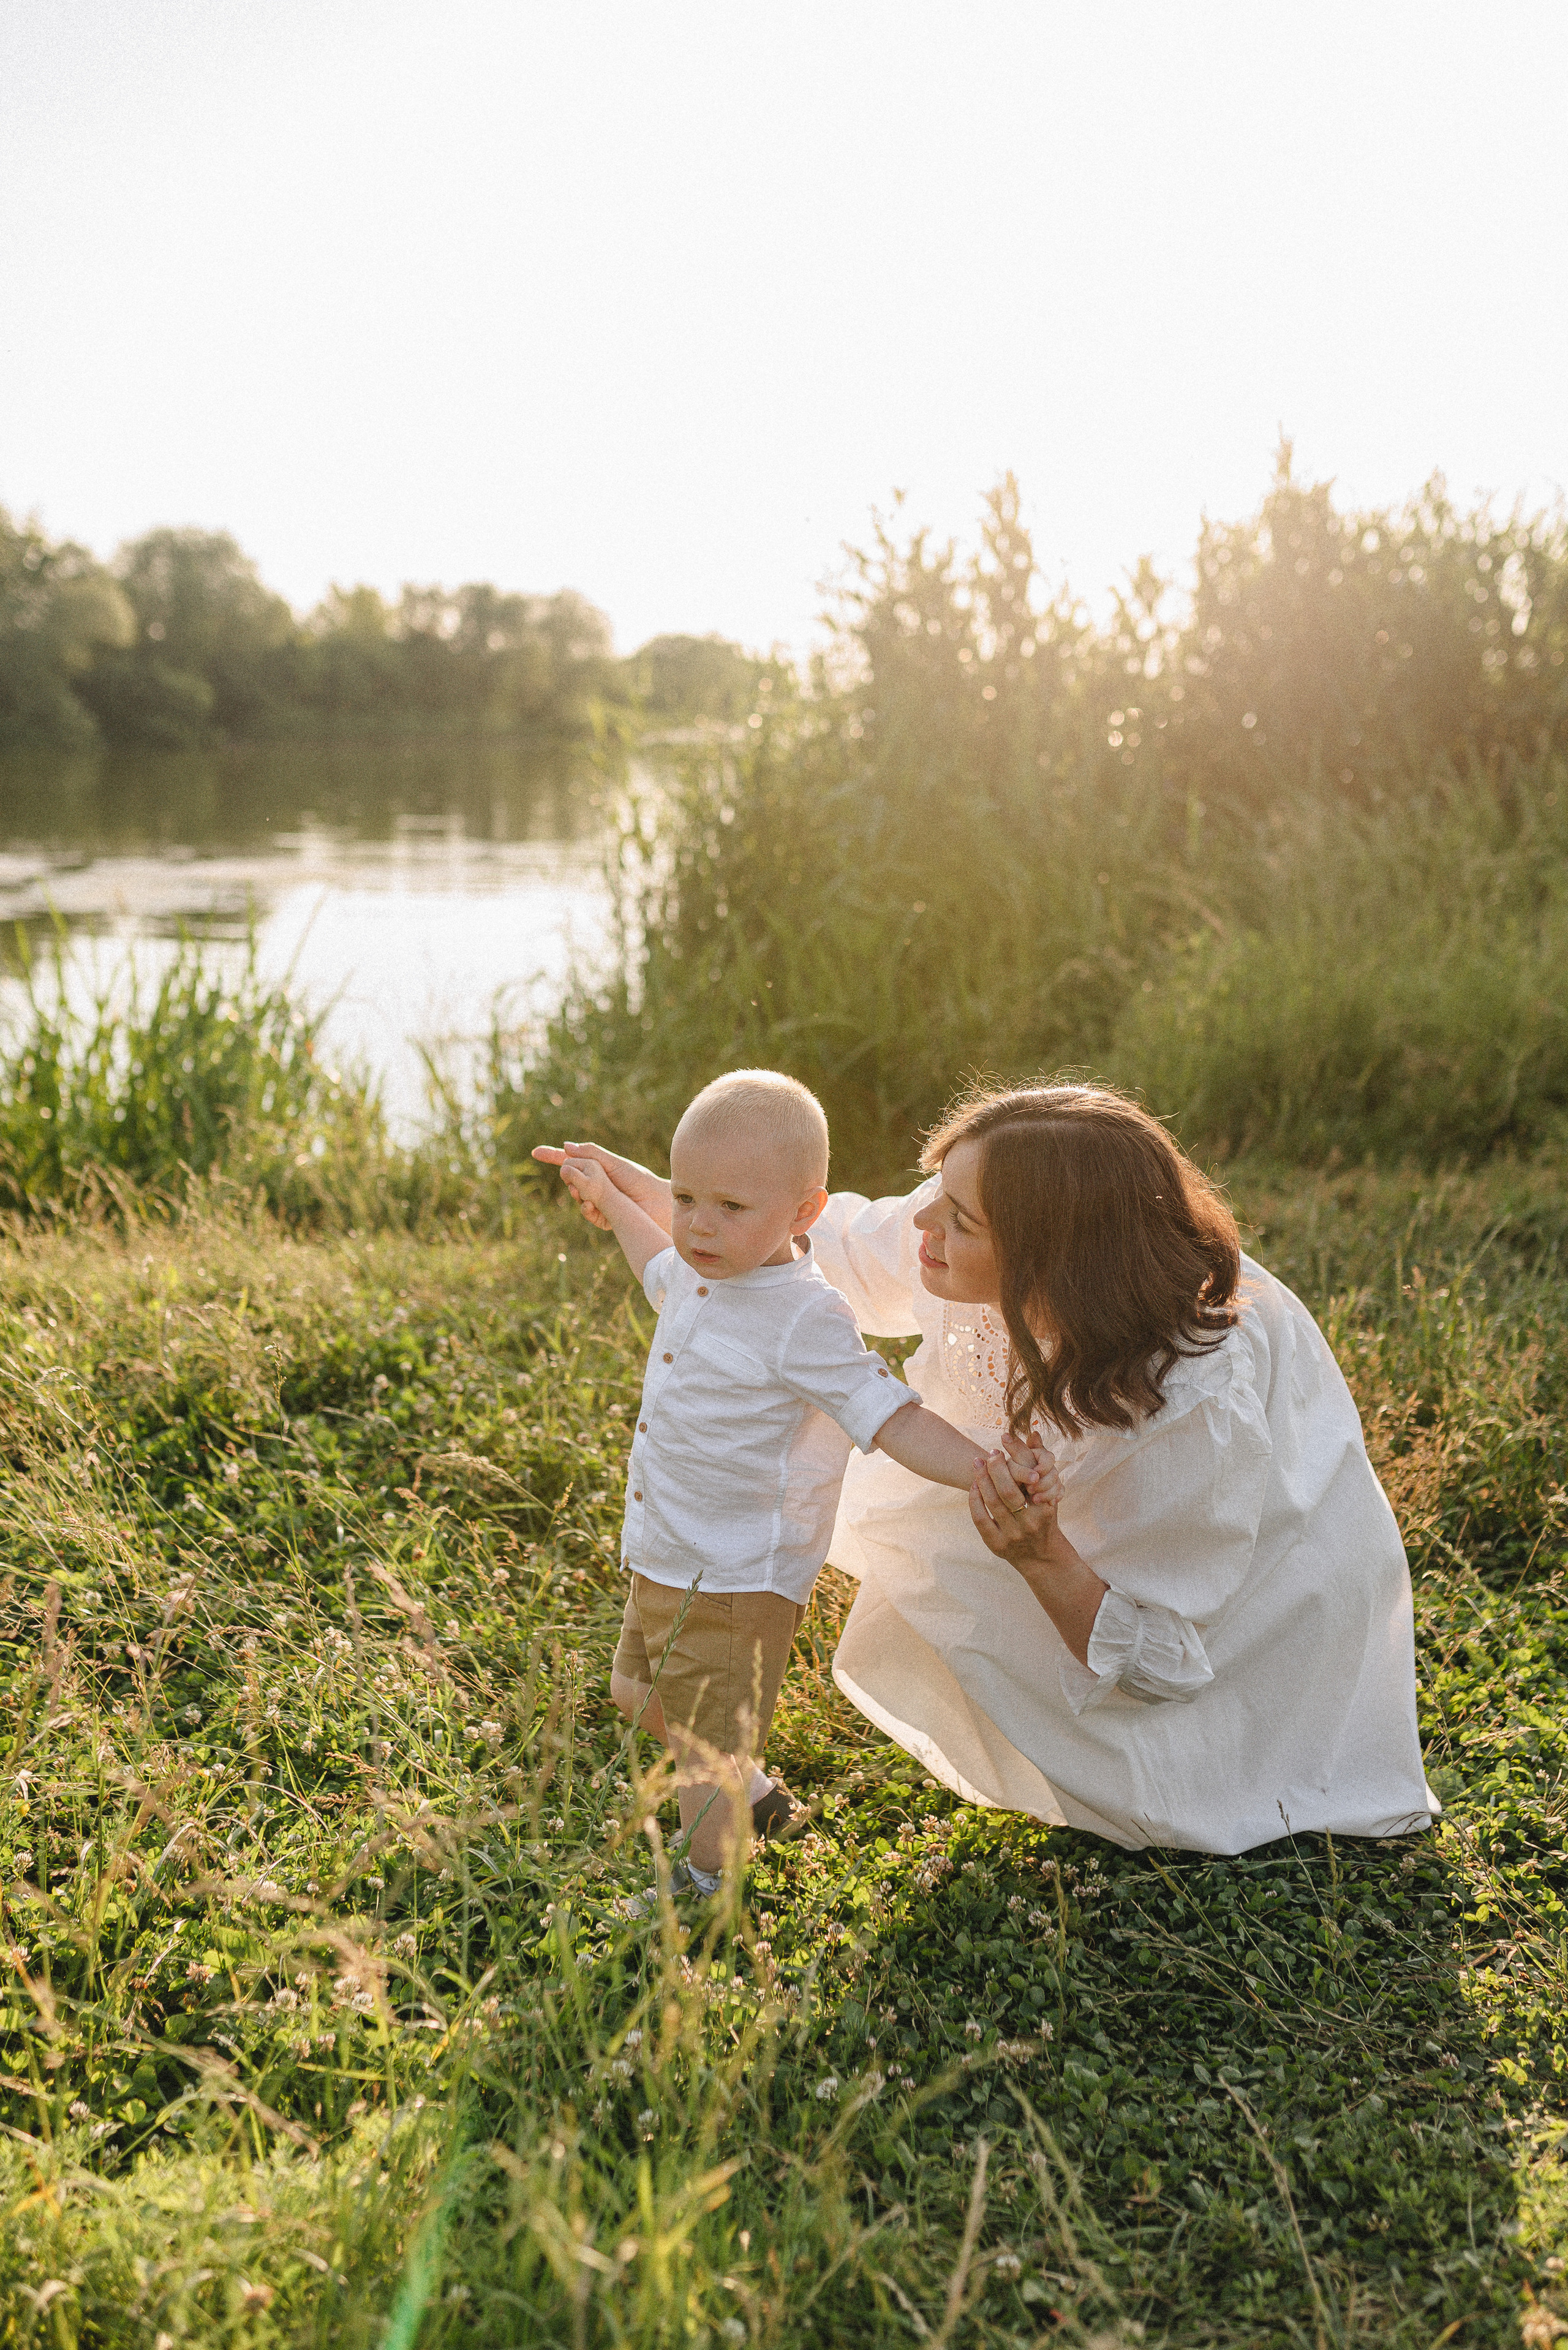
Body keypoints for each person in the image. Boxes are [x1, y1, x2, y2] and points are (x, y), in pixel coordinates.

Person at [542, 1084, 1434, 1856]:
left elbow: (1169, 1659)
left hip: (1233, 1625)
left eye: (958, 1216)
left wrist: (1043, 1555)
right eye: (940, 1190)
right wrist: (647, 1188)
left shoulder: (1192, 1399)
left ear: (1051, 1261)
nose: (923, 1220)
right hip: (1028, 1493)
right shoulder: (956, 1229)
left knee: (1156, 1754)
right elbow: (813, 1236)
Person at [533, 1070, 1047, 1902]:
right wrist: (612, 1187)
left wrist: (984, 1467)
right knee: (636, 1690)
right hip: (666, 1552)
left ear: (805, 1212)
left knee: (702, 1751)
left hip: (736, 1577)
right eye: (688, 1195)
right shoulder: (701, 1269)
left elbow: (892, 1416)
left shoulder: (805, 1317)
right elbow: (655, 1255)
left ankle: (709, 1887)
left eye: (730, 1207)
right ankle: (757, 1794)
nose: (699, 1222)